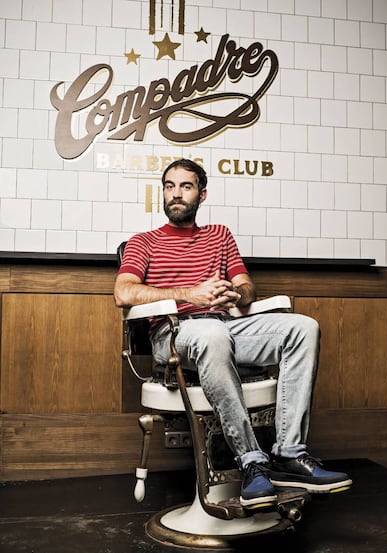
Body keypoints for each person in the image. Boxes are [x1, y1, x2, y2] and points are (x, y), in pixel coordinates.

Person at [114, 158, 352, 511]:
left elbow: (247, 288)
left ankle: (288, 454)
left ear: (202, 194)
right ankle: (251, 460)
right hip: (174, 334)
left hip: (225, 325)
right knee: (211, 332)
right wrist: (189, 294)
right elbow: (124, 293)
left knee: (303, 327)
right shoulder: (143, 242)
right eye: (169, 186)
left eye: (186, 186)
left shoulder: (220, 236)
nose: (176, 194)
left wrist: (235, 295)